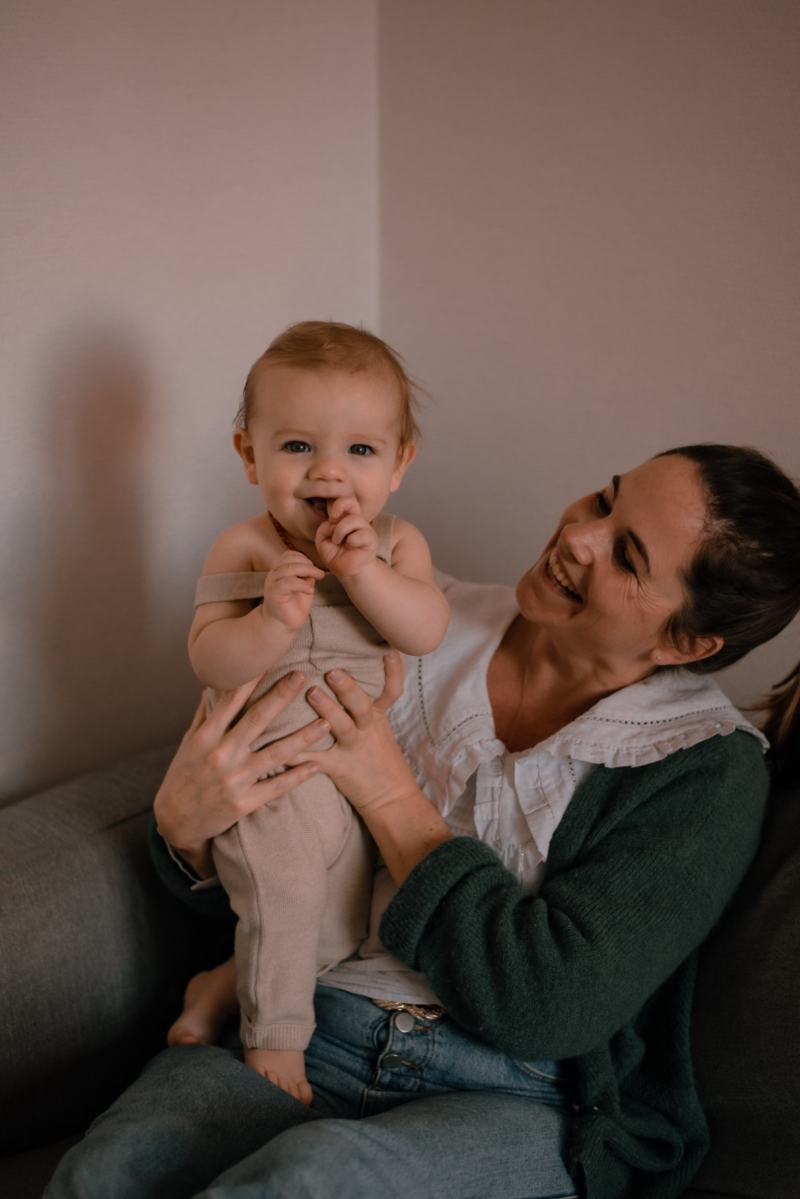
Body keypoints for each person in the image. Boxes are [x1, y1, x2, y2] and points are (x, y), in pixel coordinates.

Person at [46, 444, 800, 1199]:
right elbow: (270, 856)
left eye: (627, 554)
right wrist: (185, 833)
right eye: (605, 500)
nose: (579, 535)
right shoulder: (403, 614)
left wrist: (390, 795)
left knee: (311, 1181)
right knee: (104, 1172)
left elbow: (548, 1003)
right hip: (303, 1019)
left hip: (514, 1090)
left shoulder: (704, 770)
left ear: (686, 642)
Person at [174, 321, 449, 1101]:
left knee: (335, 924)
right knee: (287, 896)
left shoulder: (398, 545)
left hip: (355, 778)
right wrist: (267, 623)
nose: (329, 469)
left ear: (400, 464)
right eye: (297, 446)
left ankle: (220, 982)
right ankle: (275, 1042)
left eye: (360, 450)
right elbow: (209, 657)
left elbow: (423, 628)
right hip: (271, 779)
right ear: (248, 453)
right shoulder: (246, 548)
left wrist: (363, 573)